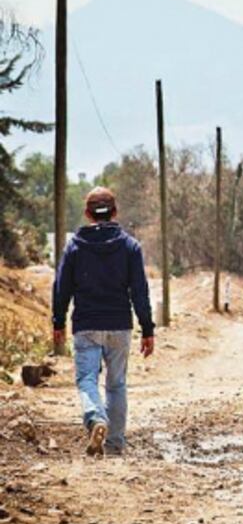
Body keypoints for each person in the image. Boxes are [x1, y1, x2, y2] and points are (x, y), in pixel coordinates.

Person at [52, 187, 155, 457]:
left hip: (86, 325)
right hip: (120, 324)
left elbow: (61, 287)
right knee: (117, 384)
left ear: (87, 214)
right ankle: (115, 444)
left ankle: (96, 417)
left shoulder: (74, 246)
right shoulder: (130, 246)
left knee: (87, 379)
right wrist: (147, 329)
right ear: (115, 212)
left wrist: (58, 322)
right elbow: (140, 291)